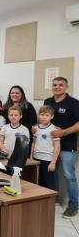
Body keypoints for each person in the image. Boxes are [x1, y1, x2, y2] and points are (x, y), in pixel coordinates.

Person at [44, 77, 79, 218]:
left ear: (66, 87)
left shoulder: (74, 103)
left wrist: (64, 132)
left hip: (67, 146)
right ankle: (52, 199)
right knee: (50, 173)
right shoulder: (48, 102)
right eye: (54, 85)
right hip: (49, 146)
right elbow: (45, 119)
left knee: (69, 176)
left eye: (60, 85)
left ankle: (73, 206)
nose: (57, 87)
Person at [31, 106, 60, 191]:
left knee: (49, 184)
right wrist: (31, 157)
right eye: (42, 115)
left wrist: (53, 162)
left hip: (48, 160)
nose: (44, 117)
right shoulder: (35, 128)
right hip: (36, 159)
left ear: (52, 116)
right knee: (38, 182)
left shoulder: (54, 129)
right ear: (39, 115)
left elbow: (57, 147)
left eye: (47, 115)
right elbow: (33, 143)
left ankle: (51, 204)